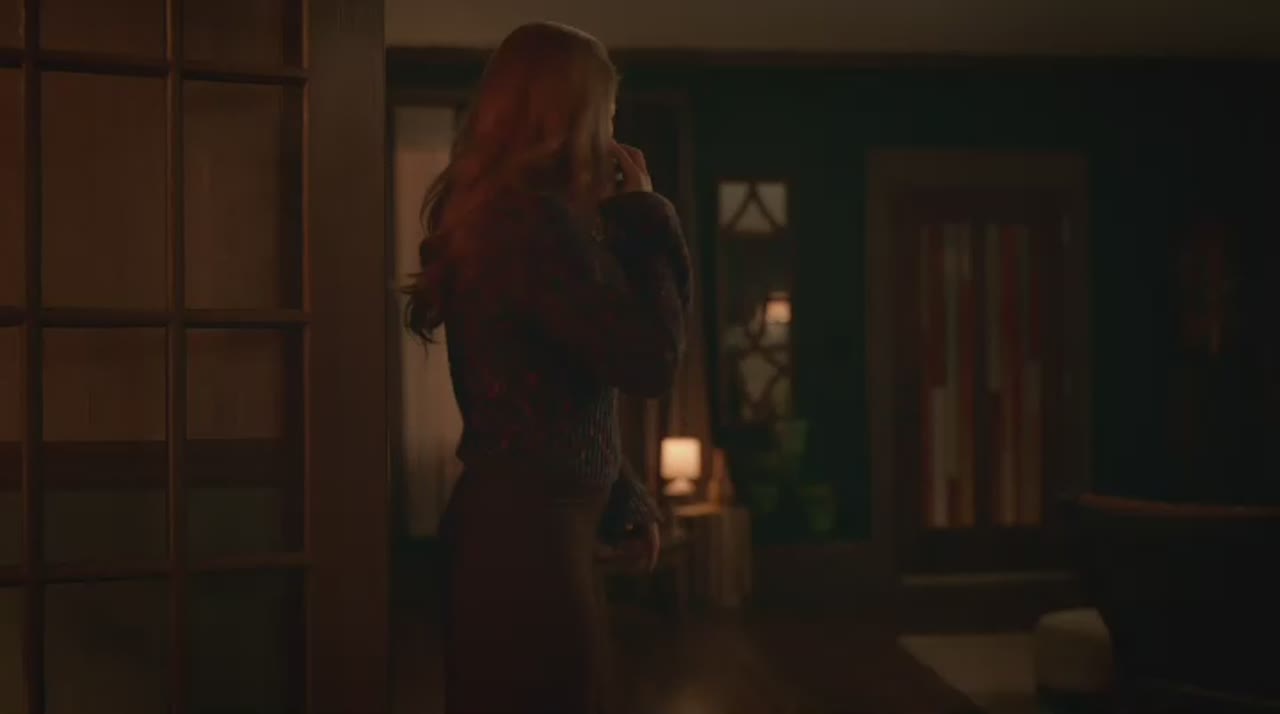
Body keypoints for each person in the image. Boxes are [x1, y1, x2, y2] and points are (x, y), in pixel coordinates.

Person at [402, 21, 692, 714]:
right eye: (608, 114)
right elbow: (652, 360)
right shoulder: (529, 229)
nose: (614, 133)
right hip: (528, 546)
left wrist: (622, 494)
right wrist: (647, 213)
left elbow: (552, 398)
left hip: (524, 535)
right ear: (574, 118)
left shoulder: (520, 221)